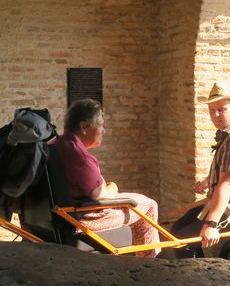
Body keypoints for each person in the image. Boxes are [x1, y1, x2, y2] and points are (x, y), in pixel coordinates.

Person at [52, 98, 160, 257]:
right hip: (83, 219)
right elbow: (100, 195)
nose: (104, 131)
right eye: (101, 125)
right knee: (149, 206)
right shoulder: (79, 156)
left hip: (62, 215)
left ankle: (140, 255)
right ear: (84, 127)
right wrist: (113, 186)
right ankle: (150, 265)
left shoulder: (57, 144)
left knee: (139, 203)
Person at [171, 82, 230, 258]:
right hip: (223, 201)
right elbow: (228, 170)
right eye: (212, 110)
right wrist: (208, 181)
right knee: (177, 230)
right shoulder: (229, 133)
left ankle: (199, 276)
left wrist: (211, 225)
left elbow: (227, 183)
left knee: (181, 238)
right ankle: (199, 269)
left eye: (222, 109)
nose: (215, 115)